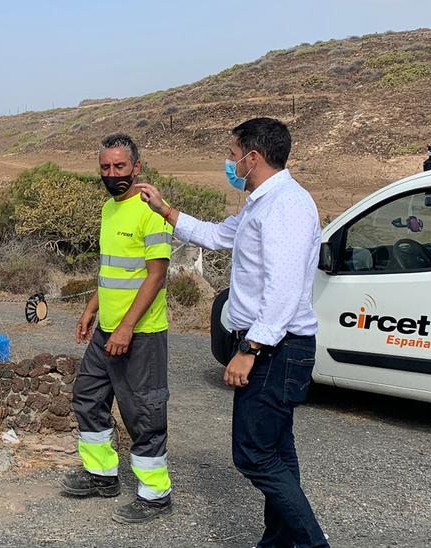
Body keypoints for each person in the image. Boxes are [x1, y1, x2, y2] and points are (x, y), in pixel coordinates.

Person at [136, 117, 328, 546]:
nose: (229, 162)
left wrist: (251, 347)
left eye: (232, 153)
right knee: (277, 450)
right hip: (273, 348)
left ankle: (313, 543)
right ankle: (279, 541)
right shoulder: (261, 203)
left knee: (254, 455)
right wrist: (166, 211)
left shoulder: (287, 207)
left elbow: (283, 287)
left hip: (277, 350)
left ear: (253, 157)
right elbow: (220, 236)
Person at [62, 133, 175, 524]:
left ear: (137, 167)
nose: (112, 174)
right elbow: (110, 269)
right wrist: (90, 308)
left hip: (140, 333)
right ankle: (101, 476)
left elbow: (156, 276)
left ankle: (155, 495)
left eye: (120, 167)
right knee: (87, 397)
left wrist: (126, 327)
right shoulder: (109, 210)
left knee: (143, 413)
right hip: (106, 329)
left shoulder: (151, 212)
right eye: (106, 168)